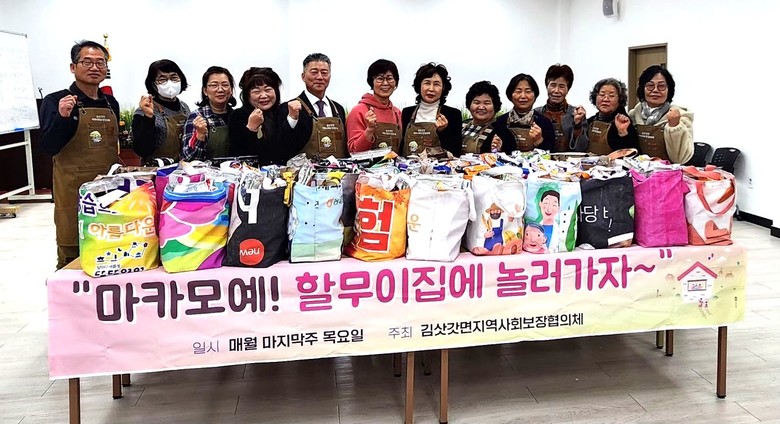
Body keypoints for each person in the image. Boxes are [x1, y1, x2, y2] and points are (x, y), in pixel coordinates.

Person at [39, 40, 119, 269]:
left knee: (110, 243)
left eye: (100, 63)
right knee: (73, 244)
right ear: (73, 67)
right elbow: (48, 146)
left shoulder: (110, 102)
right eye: (87, 62)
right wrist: (63, 118)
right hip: (73, 189)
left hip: (109, 187)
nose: (94, 67)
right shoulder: (56, 101)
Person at [278, 53, 348, 162]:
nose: (319, 77)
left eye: (324, 73)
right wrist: (292, 118)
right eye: (314, 72)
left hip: (339, 171)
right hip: (304, 172)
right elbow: (282, 146)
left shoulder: (338, 109)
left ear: (330, 76)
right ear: (303, 76)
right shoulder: (288, 108)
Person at [628, 65, 694, 163]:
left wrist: (675, 127)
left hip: (667, 172)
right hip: (636, 170)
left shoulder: (682, 117)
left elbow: (680, 159)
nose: (655, 90)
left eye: (661, 86)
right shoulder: (633, 115)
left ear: (669, 90)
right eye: (650, 86)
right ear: (642, 88)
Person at [131, 59, 190, 164]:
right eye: (162, 79)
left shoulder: (185, 108)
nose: (169, 83)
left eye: (174, 78)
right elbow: (141, 149)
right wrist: (148, 117)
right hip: (157, 170)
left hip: (184, 168)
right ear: (153, 84)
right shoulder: (143, 111)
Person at [401, 63, 462, 157]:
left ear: (443, 87)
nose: (431, 89)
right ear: (419, 85)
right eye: (427, 83)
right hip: (408, 166)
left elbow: (456, 152)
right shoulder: (407, 112)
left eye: (436, 84)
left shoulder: (453, 114)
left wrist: (443, 132)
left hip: (439, 166)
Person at [228, 67, 283, 164]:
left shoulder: (283, 112)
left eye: (268, 90)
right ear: (247, 95)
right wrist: (251, 128)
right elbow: (238, 152)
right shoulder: (238, 116)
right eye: (256, 91)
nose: (264, 96)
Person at [346, 59, 403, 153]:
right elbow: (353, 151)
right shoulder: (358, 111)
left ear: (396, 82)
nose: (385, 83)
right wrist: (369, 129)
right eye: (380, 79)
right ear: (371, 82)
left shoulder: (397, 113)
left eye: (389, 78)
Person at [180, 66, 236, 161]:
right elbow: (188, 158)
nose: (220, 90)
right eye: (214, 85)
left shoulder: (237, 116)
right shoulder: (196, 117)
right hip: (207, 170)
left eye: (225, 85)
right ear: (205, 91)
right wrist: (200, 136)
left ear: (231, 90)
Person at [493, 73, 556, 152]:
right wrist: (497, 148)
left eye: (528, 91)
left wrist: (539, 141)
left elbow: (551, 153)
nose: (523, 96)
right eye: (518, 91)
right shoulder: (500, 122)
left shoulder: (544, 123)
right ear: (510, 95)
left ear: (535, 95)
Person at [535, 64, 588, 153]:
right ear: (547, 86)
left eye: (562, 86)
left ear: (568, 89)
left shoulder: (576, 114)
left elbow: (582, 148)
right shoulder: (537, 113)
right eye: (553, 85)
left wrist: (577, 125)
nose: (556, 91)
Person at [578, 78, 639, 154]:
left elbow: (632, 154)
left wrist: (623, 133)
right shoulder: (590, 121)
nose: (606, 99)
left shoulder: (625, 123)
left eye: (611, 96)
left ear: (620, 99)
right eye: (602, 95)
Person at [461, 81, 514, 154]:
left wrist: (499, 150)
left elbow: (510, 155)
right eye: (477, 103)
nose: (481, 107)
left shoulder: (502, 131)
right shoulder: (460, 126)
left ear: (495, 106)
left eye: (487, 103)